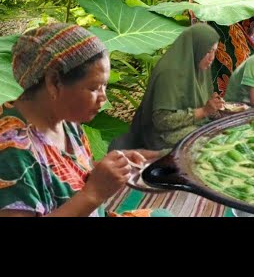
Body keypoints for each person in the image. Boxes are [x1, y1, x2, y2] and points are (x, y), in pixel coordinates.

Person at [0, 23, 170, 217]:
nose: (103, 97)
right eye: (94, 88)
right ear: (54, 82)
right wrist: (94, 193)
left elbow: (72, 177)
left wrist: (113, 166)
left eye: (104, 86)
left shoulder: (65, 120)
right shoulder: (10, 150)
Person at [110, 24, 224, 152]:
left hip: (192, 124)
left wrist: (215, 108)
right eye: (208, 51)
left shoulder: (198, 66)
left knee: (226, 132)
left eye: (214, 51)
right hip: (160, 136)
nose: (212, 58)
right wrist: (203, 111)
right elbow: (162, 121)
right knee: (210, 144)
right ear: (195, 48)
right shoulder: (170, 73)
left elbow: (204, 104)